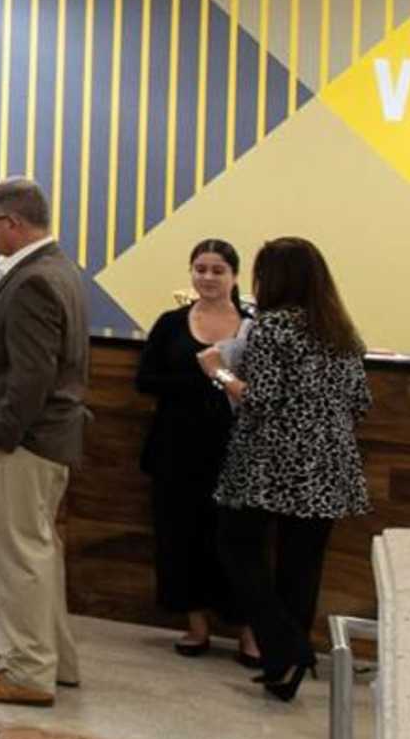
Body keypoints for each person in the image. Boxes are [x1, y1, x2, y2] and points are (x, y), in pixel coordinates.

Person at [207, 236, 370, 704]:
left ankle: (289, 648)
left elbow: (259, 399)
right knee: (302, 564)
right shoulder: (342, 331)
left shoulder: (271, 327)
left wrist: (218, 372)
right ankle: (284, 668)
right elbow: (362, 401)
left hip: (269, 463)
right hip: (330, 465)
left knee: (237, 548)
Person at [0, 176, 90, 707]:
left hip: (23, 443)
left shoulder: (33, 279)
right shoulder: (58, 269)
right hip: (47, 439)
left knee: (19, 558)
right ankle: (56, 660)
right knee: (39, 552)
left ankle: (30, 670)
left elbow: (31, 375)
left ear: (12, 222)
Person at [134, 239, 251, 659]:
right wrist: (204, 379)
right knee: (179, 538)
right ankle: (196, 626)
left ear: (235, 275)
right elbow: (146, 380)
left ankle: (248, 632)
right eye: (200, 269)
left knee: (236, 542)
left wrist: (220, 376)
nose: (208, 277)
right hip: (176, 451)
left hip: (236, 453)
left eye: (217, 270)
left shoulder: (253, 325)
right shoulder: (170, 323)